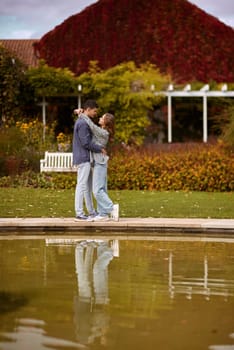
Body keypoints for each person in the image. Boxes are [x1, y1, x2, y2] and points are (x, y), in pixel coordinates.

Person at [74, 109, 119, 221]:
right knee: (102, 188)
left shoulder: (103, 132)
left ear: (105, 122)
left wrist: (81, 114)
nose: (99, 118)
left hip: (100, 162)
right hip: (99, 161)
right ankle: (103, 214)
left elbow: (91, 126)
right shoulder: (102, 131)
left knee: (97, 190)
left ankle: (111, 207)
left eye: (102, 118)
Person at [73, 99, 106, 221]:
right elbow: (85, 143)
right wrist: (99, 148)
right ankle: (79, 213)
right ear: (88, 109)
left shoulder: (83, 121)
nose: (95, 113)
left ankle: (91, 212)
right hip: (83, 158)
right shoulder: (82, 123)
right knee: (81, 185)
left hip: (86, 158)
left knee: (87, 186)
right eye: (94, 111)